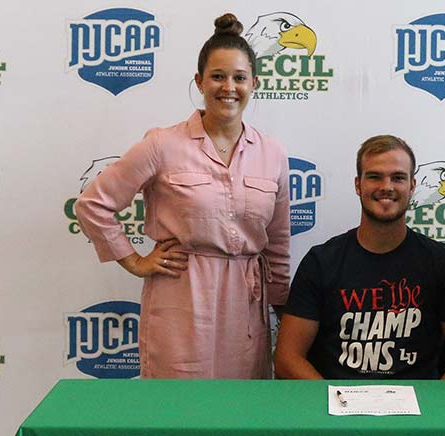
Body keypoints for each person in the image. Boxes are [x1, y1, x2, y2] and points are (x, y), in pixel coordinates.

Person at [75, 13, 290, 379]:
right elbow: (93, 205)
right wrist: (134, 261)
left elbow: (278, 244)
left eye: (239, 78)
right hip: (181, 296)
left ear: (254, 83)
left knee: (242, 408)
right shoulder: (162, 144)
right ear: (199, 81)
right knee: (176, 406)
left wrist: (283, 310)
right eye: (217, 76)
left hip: (247, 303)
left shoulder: (272, 154)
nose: (229, 87)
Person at [274, 135, 445, 379]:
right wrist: (335, 402)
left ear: (412, 186)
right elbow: (287, 358)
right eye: (374, 176)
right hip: (338, 408)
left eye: (398, 177)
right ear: (357, 185)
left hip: (420, 410)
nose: (387, 186)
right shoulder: (321, 262)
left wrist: (431, 409)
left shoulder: (441, 262)